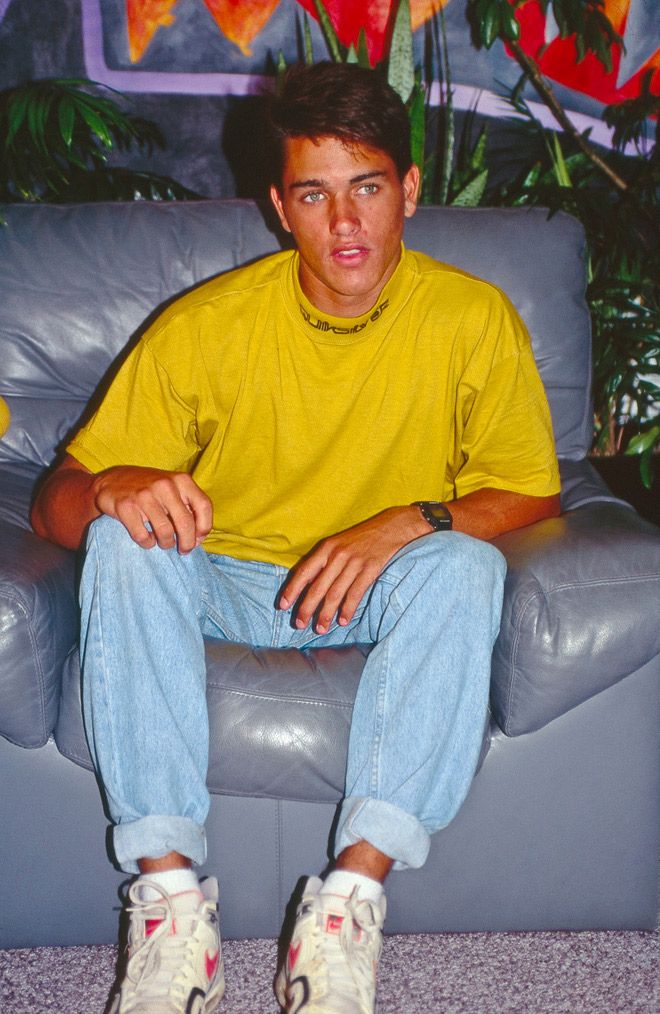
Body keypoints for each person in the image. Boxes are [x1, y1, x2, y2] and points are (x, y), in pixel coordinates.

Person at [31, 61, 560, 1014]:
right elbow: (54, 505)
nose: (345, 224)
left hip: (382, 584)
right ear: (281, 206)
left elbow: (530, 493)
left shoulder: (475, 319)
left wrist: (407, 521)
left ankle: (348, 906)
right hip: (228, 575)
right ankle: (171, 913)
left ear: (408, 189)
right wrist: (111, 485)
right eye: (315, 194)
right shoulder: (210, 325)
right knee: (119, 542)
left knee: (465, 564)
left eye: (367, 188)